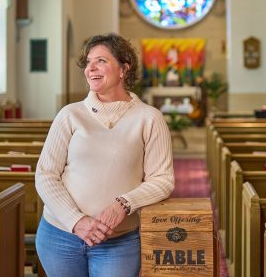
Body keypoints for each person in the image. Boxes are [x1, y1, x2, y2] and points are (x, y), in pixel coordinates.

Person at [35, 33, 175, 277]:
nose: (91, 68)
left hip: (117, 241)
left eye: (101, 61)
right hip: (60, 236)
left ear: (124, 69)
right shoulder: (70, 114)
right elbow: (46, 174)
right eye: (88, 62)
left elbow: (162, 179)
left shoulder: (149, 118)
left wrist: (124, 204)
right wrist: (76, 221)